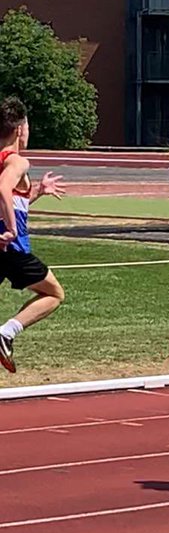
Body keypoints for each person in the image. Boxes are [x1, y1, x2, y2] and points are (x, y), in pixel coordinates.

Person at [0, 96, 65, 374]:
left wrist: (36, 193)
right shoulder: (17, 161)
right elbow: (2, 190)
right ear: (19, 129)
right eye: (27, 126)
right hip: (12, 248)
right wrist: (13, 229)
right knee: (54, 293)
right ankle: (6, 333)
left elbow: (9, 199)